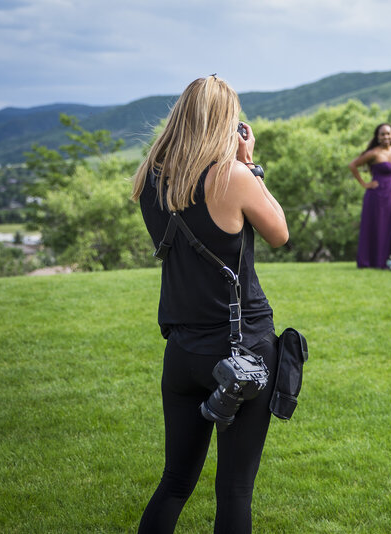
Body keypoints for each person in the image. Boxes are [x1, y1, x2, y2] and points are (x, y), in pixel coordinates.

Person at [130, 75, 289, 533]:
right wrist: (251, 164)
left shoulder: (151, 177)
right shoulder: (232, 175)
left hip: (182, 351)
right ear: (226, 121)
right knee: (235, 489)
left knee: (175, 481)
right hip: (241, 350)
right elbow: (279, 233)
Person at [348, 123, 391, 268]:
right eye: (383, 134)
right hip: (378, 196)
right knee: (380, 226)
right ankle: (375, 260)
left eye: (388, 134)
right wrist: (365, 184)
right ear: (378, 137)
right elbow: (353, 165)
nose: (386, 137)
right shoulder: (374, 153)